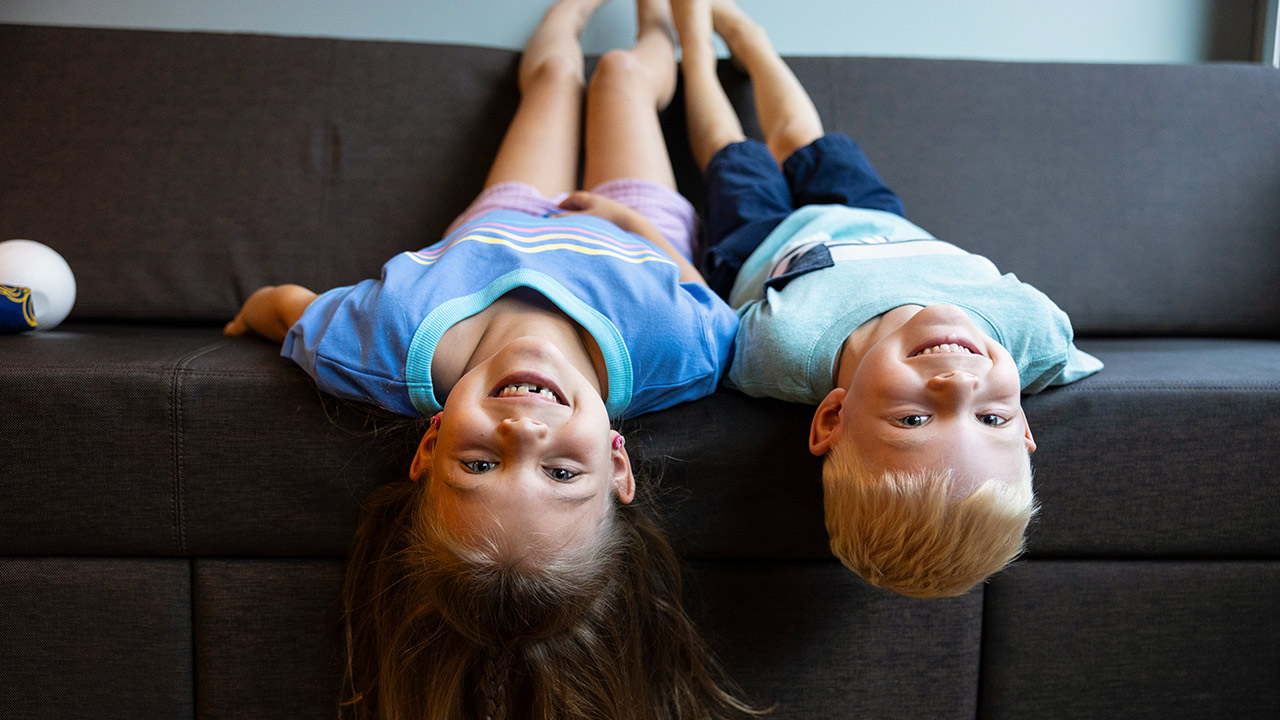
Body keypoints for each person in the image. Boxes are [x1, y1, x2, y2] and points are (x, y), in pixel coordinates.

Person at [226, 0, 759, 716]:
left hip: (497, 220)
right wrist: (632, 223)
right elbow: (709, 302)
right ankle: (666, 32)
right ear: (617, 461)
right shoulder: (676, 349)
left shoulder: (384, 344)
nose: (524, 434)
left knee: (554, 78)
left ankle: (568, 18)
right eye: (563, 472)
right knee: (625, 78)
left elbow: (287, 306)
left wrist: (247, 314)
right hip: (633, 238)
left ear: (429, 444)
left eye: (479, 465)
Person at [671, 0, 1103, 599]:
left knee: (731, 153)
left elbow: (699, 313)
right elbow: (1072, 355)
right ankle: (751, 43)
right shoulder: (1034, 337)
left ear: (832, 416)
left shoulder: (780, 350)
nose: (958, 385)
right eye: (993, 418)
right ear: (1025, 422)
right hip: (878, 222)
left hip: (766, 241)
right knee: (804, 138)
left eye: (915, 419)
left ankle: (693, 55)